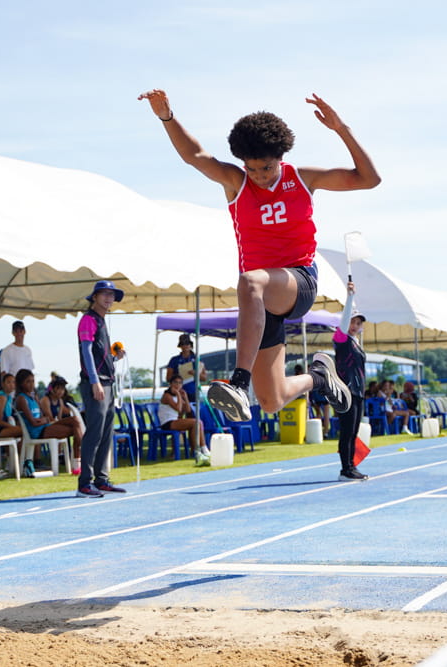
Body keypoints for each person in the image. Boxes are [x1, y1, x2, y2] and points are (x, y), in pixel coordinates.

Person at [138, 88, 380, 426]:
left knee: (251, 280)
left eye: (266, 168)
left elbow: (369, 179)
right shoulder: (237, 184)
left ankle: (238, 382)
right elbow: (195, 156)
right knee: (271, 399)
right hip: (262, 305)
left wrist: (341, 128)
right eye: (252, 170)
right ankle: (320, 376)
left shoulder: (304, 179)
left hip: (298, 281)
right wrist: (167, 116)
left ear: (280, 157)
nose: (260, 177)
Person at [77, 280, 127, 498]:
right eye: (104, 294)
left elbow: (99, 356)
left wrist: (115, 357)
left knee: (106, 432)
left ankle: (101, 479)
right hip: (96, 383)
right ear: (94, 297)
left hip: (108, 383)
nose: (108, 298)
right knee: (94, 432)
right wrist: (95, 381)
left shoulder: (101, 322)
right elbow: (86, 353)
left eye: (111, 295)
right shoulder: (88, 320)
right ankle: (84, 484)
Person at [332, 282, 368, 481]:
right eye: (353, 322)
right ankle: (345, 469)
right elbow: (344, 323)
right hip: (346, 392)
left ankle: (351, 466)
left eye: (358, 323)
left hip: (358, 392)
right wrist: (350, 297)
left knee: (353, 431)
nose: (355, 326)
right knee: (347, 431)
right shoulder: (341, 339)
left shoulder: (355, 343)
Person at [158, 375, 210, 464]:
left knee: (195, 424)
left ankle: (195, 451)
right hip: (167, 423)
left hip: (175, 421)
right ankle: (203, 449)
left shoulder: (179, 396)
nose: (177, 385)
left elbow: (188, 410)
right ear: (170, 384)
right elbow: (178, 408)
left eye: (180, 383)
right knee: (197, 422)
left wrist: (185, 396)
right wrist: (178, 394)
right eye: (175, 382)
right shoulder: (167, 396)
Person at [39, 376, 84, 474]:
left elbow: (59, 418)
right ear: (52, 389)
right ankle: (83, 449)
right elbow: (50, 418)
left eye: (63, 389)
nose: (61, 391)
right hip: (46, 427)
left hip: (54, 424)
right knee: (74, 421)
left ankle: (77, 465)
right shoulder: (46, 400)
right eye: (58, 388)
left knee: (75, 429)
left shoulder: (60, 401)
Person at [166, 333, 207, 402]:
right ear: (180, 346)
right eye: (182, 344)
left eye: (187, 344)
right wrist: (178, 376)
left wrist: (195, 373)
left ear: (191, 345)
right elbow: (168, 378)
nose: (185, 346)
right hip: (179, 391)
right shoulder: (174, 360)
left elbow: (204, 378)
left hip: (193, 392)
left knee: (193, 411)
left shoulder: (197, 359)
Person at [0, 372, 22, 440]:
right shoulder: (2, 397)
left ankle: (14, 450)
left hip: (4, 428)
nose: (11, 385)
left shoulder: (9, 398)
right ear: (3, 384)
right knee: (24, 431)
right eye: (8, 382)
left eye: (13, 382)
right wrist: (13, 427)